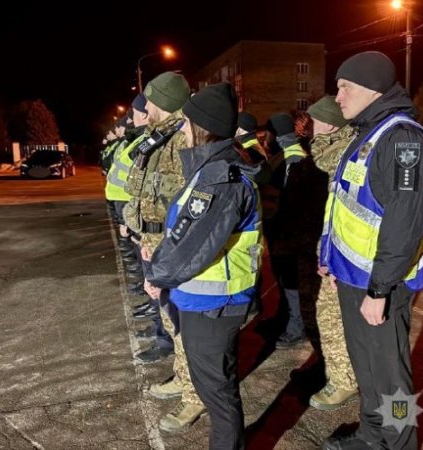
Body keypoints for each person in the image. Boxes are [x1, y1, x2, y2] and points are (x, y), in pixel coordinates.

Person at [319, 51, 423, 450]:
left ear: (372, 89)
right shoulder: (368, 132)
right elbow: (348, 203)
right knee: (366, 367)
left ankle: (400, 443)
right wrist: (331, 260)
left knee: (390, 377)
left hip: (381, 285)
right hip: (355, 277)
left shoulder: (403, 139)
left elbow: (405, 221)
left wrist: (380, 289)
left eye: (344, 87)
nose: (337, 97)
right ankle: (371, 437)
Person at [145, 82, 263, 450]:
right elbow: (184, 231)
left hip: (214, 304)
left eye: (186, 122)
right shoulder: (210, 170)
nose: (182, 128)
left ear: (202, 127)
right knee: (213, 386)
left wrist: (157, 274)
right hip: (204, 300)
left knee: (217, 393)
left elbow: (192, 246)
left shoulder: (219, 179)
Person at [122, 71, 208, 432]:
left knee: (185, 322)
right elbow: (146, 192)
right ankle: (183, 376)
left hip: (173, 246)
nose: (146, 104)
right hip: (154, 243)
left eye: (150, 97)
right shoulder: (160, 136)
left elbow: (190, 203)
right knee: (172, 320)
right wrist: (144, 236)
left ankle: (195, 395)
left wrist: (167, 246)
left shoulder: (184, 137)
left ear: (162, 100)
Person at [299, 96, 360, 411]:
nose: (310, 128)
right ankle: (336, 371)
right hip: (330, 248)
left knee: (333, 319)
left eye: (316, 121)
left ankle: (344, 381)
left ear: (332, 125)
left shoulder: (344, 152)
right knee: (326, 316)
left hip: (347, 255)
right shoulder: (333, 149)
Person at [263, 112, 309, 349]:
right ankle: (284, 320)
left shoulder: (294, 158)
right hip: (279, 231)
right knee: (283, 280)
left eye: (268, 132)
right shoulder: (282, 154)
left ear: (275, 133)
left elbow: (296, 201)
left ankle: (296, 329)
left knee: (292, 283)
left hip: (289, 235)